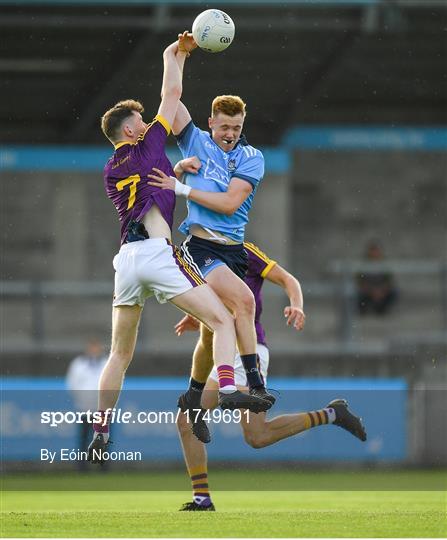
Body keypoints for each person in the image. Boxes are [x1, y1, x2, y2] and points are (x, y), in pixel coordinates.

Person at [88, 33, 268, 463]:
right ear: (132, 130)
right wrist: (176, 53)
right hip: (158, 255)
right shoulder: (148, 142)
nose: (148, 121)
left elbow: (150, 184)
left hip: (126, 262)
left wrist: (177, 166)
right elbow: (173, 92)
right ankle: (228, 389)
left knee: (119, 354)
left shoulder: (112, 169)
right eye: (142, 119)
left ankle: (100, 429)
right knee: (223, 320)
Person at [174, 242, 367, 511]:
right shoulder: (198, 254)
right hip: (223, 349)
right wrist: (196, 316)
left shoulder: (244, 252)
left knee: (191, 416)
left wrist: (297, 305)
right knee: (256, 436)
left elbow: (288, 279)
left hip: (248, 352)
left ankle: (202, 498)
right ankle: (333, 414)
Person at [147, 95, 275, 444]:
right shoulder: (195, 141)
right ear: (211, 122)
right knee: (243, 303)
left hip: (232, 250)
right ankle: (252, 386)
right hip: (201, 247)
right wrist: (176, 55)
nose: (230, 133)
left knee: (212, 329)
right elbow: (170, 100)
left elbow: (232, 203)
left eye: (236, 127)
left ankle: (193, 396)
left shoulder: (252, 157)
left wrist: (181, 186)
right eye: (224, 127)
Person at [66, 338, 107, 470]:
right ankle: (82, 467)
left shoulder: (107, 363)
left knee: (102, 439)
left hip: (102, 410)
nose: (94, 351)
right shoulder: (78, 365)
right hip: (84, 409)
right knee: (84, 439)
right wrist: (82, 400)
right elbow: (72, 384)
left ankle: (102, 467)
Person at [356, 240, 398, 316]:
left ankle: (381, 309)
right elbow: (359, 281)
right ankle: (363, 310)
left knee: (395, 292)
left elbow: (389, 281)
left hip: (381, 291)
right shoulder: (363, 264)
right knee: (357, 293)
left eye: (376, 251)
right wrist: (372, 291)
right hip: (368, 291)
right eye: (373, 251)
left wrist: (381, 291)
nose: (374, 253)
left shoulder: (384, 264)